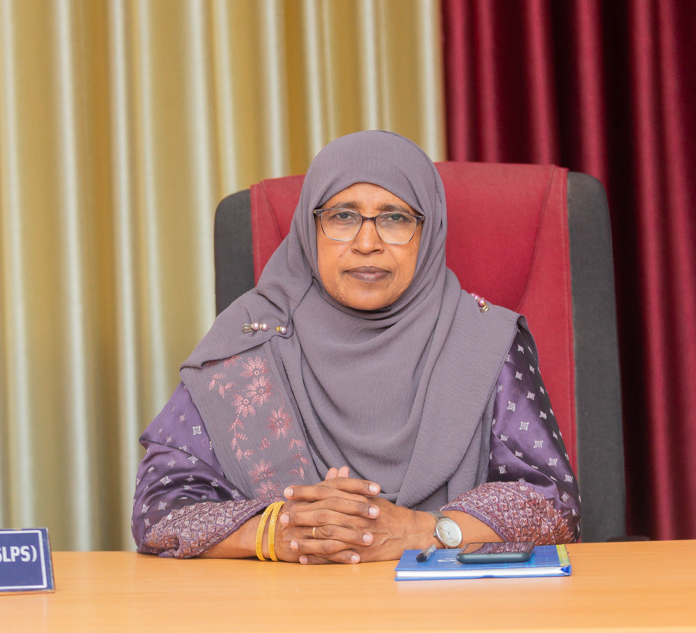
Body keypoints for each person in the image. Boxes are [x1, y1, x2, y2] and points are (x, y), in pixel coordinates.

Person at [132, 131, 580, 564]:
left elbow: (553, 505)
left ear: (429, 231)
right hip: (286, 601)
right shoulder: (249, 341)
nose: (367, 244)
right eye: (343, 217)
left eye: (395, 218)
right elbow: (160, 508)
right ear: (310, 228)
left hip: (452, 601)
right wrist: (278, 532)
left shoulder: (484, 339)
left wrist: (419, 530)